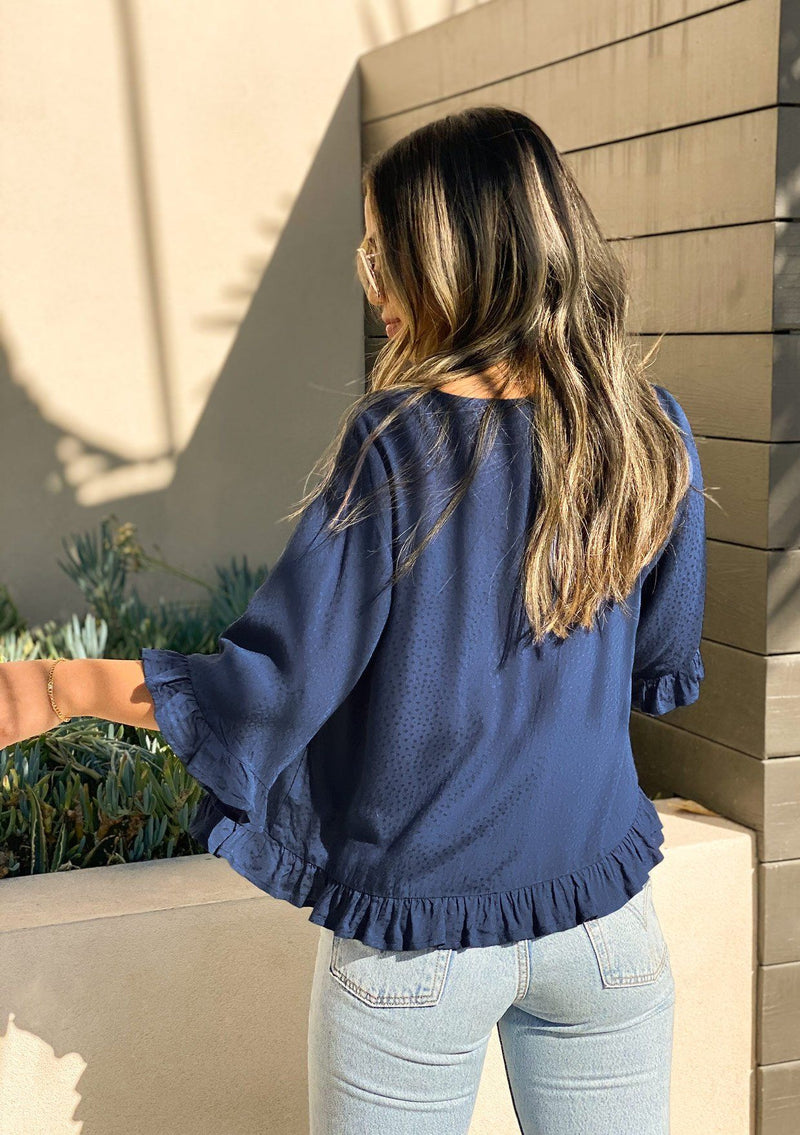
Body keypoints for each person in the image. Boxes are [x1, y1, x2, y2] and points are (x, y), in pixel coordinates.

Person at [0, 105, 708, 1134]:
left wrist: (64, 686)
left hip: (418, 948)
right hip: (607, 929)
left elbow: (270, 694)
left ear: (460, 259)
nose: (370, 280)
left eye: (387, 253)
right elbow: (655, 663)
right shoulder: (649, 430)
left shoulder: (396, 444)